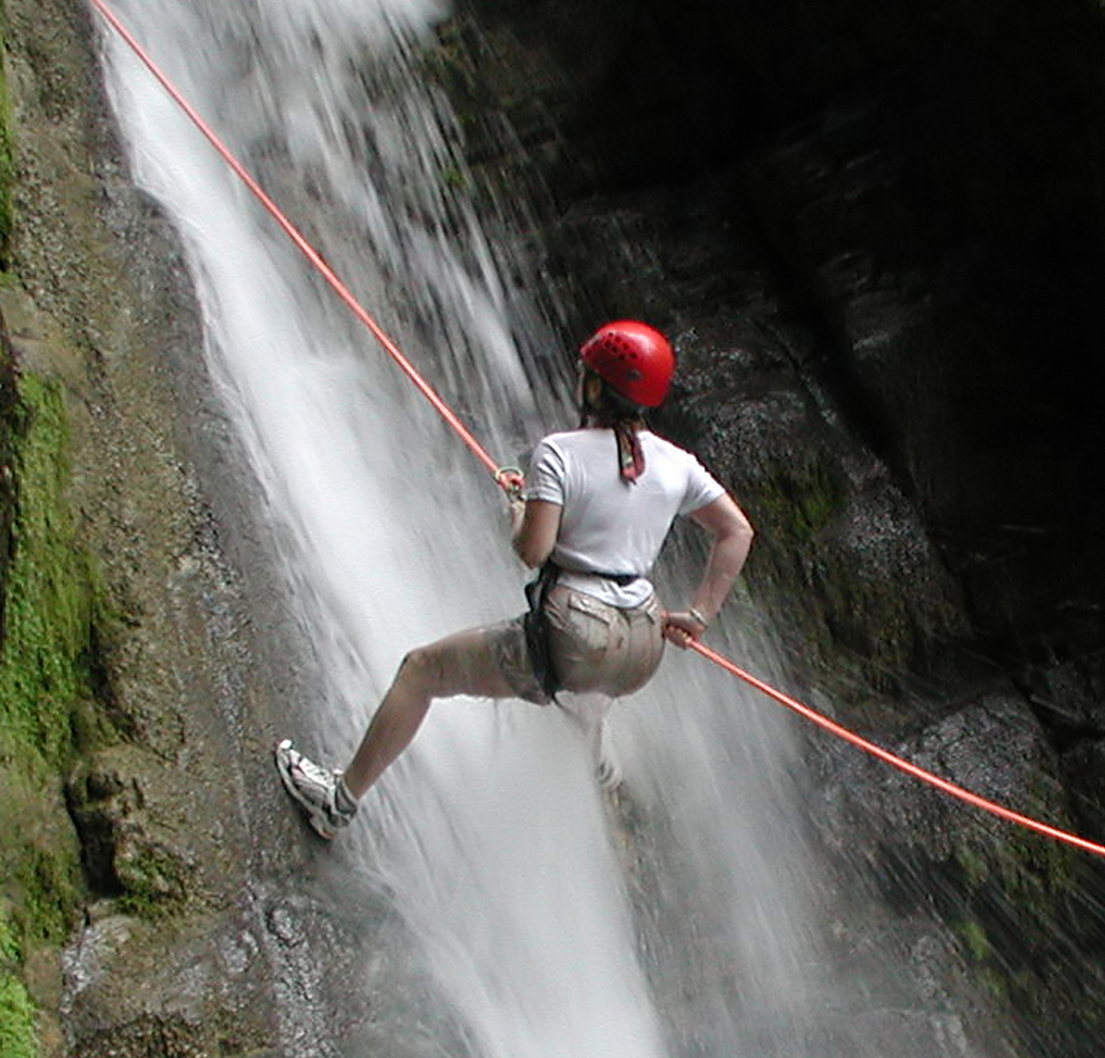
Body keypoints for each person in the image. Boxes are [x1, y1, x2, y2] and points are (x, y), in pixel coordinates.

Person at [276, 318, 755, 840]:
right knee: (588, 685)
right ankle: (596, 764)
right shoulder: (679, 465)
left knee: (421, 671)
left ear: (594, 385)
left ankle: (337, 803)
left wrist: (519, 509)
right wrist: (701, 613)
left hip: (578, 633)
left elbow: (532, 551)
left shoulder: (560, 453)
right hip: (642, 645)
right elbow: (736, 531)